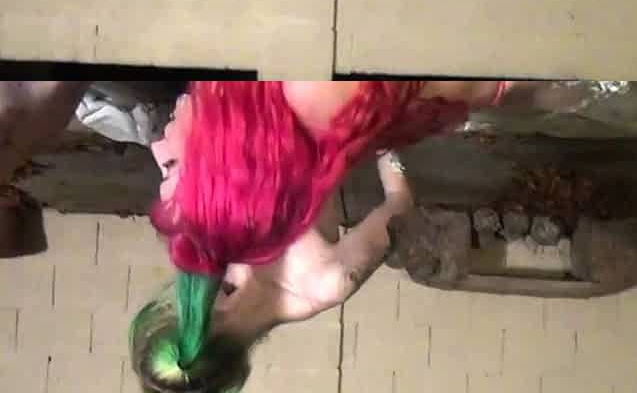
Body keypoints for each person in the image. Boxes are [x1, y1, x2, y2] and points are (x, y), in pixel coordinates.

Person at [134, 80, 521, 393]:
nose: (180, 297)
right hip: (340, 107)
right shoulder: (321, 282)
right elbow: (399, 205)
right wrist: (381, 140)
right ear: (205, 326)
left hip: (268, 100)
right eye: (178, 311)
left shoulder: (219, 264)